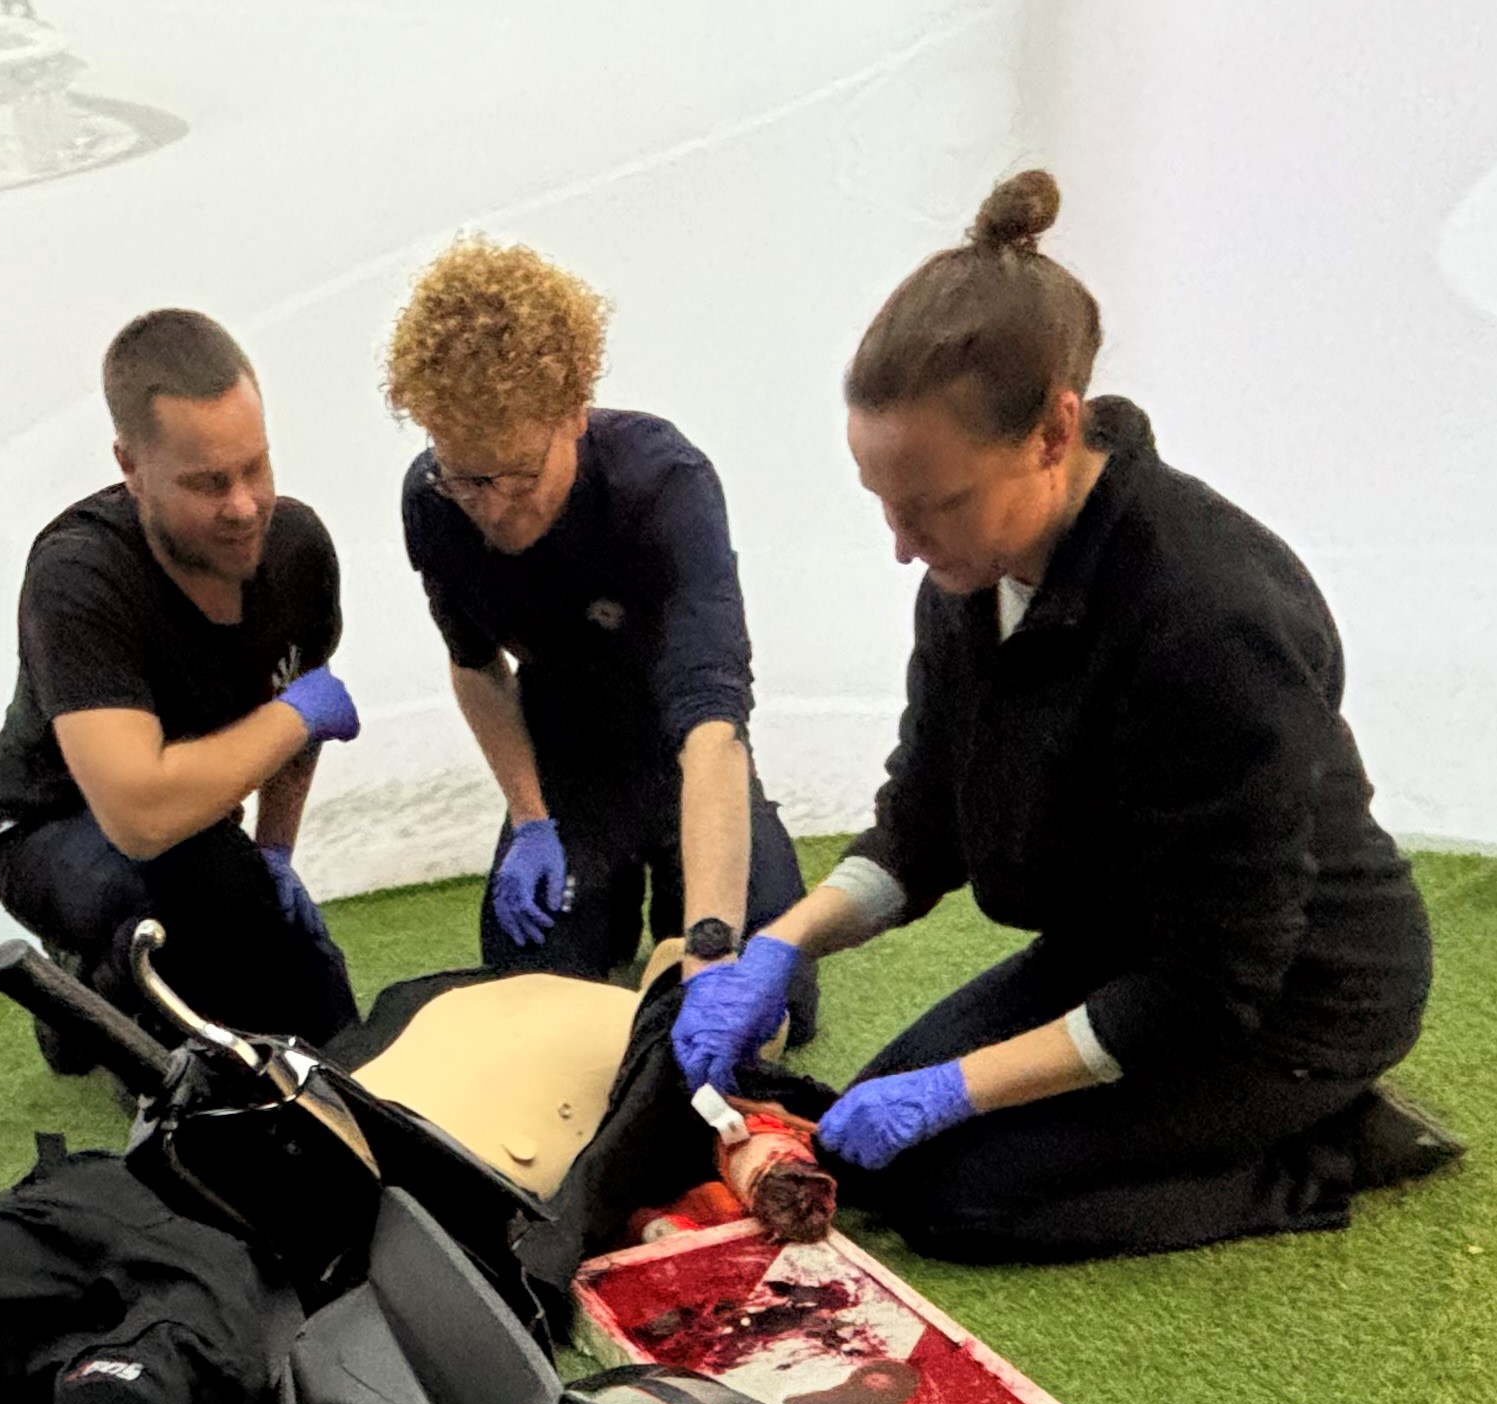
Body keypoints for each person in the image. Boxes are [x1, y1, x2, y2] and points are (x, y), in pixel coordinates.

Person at [674, 172, 1454, 1261]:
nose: (901, 542)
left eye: (932, 503)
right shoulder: (967, 579)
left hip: (1280, 995)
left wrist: (957, 1089)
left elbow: (1206, 983)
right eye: (880, 501)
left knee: (965, 1203)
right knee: (870, 1154)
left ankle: (1323, 1147)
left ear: (1053, 430)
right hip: (1123, 945)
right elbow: (922, 830)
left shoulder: (1209, 619)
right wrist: (775, 944)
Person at [386, 238, 821, 1040]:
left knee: (772, 988)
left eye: (517, 473)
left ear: (572, 414)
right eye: (465, 477)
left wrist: (712, 938)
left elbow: (713, 718)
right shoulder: (432, 502)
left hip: (681, 743)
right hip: (566, 756)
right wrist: (528, 818)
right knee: (528, 984)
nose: (493, 507)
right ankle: (606, 901)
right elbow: (475, 665)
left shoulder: (662, 484)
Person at [0, 308, 361, 1051]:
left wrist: (276, 851)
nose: (244, 505)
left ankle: (133, 978)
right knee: (182, 901)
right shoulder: (78, 575)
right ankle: (94, 998)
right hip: (45, 828)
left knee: (324, 1016)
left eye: (255, 467)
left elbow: (291, 712)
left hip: (196, 831)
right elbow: (138, 813)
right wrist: (295, 717)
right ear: (131, 467)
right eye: (207, 483)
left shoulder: (299, 549)